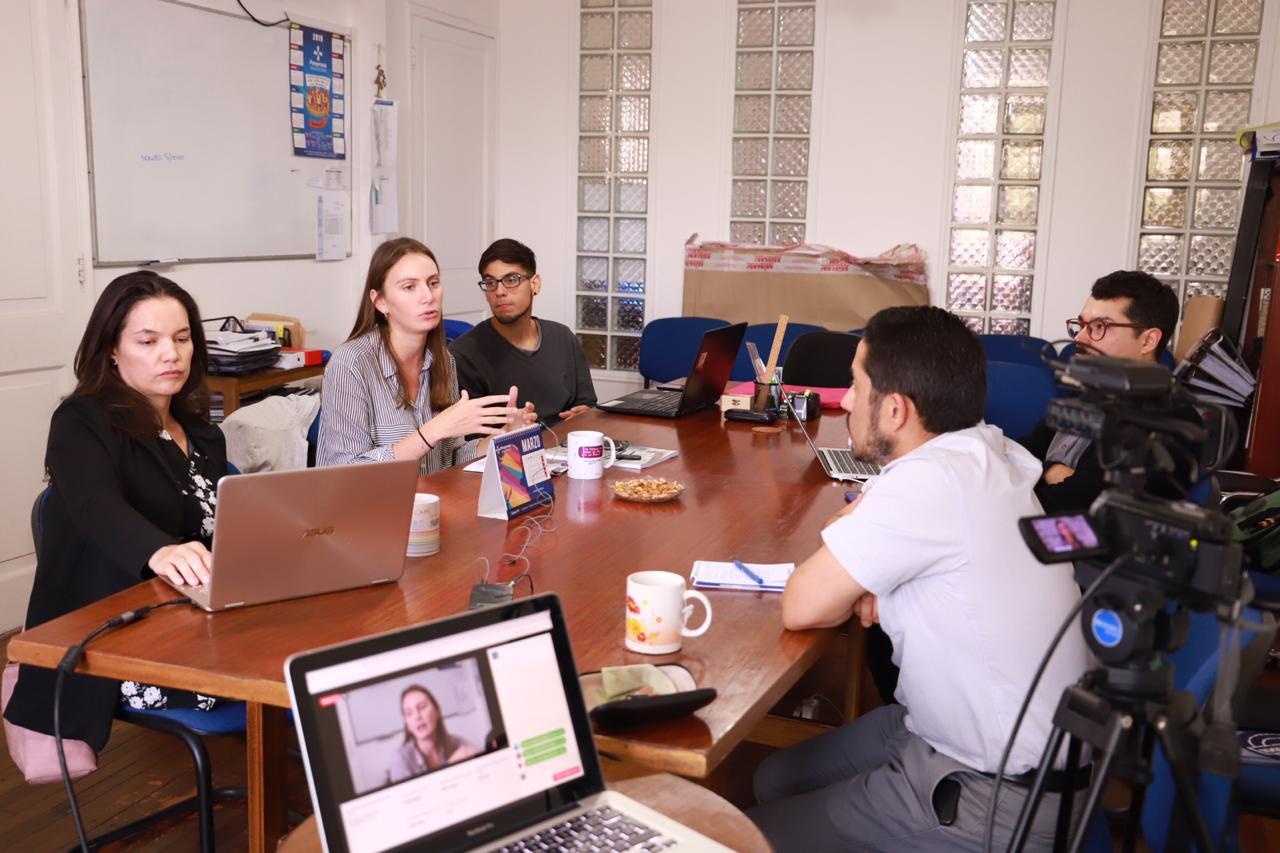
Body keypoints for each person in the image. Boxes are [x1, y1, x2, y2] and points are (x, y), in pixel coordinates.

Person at [749, 306, 1090, 851]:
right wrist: (876, 577)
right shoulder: (986, 450)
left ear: (895, 409)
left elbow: (803, 605)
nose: (845, 401)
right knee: (771, 779)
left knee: (744, 838)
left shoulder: (929, 482)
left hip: (997, 796)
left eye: (856, 387)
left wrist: (866, 564)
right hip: (962, 740)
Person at [4, 272, 226, 753]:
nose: (172, 354)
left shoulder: (203, 433)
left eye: (183, 338)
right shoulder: (81, 422)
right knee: (289, 667)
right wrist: (160, 551)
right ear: (111, 349)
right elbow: (94, 507)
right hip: (114, 636)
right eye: (148, 341)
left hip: (195, 615)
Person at [318, 238, 536, 472]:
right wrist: (434, 430)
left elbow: (450, 457)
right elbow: (344, 473)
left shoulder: (443, 361)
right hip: (371, 507)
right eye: (409, 287)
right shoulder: (350, 363)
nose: (428, 296)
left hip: (429, 502)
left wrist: (504, 437)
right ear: (380, 301)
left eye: (433, 283)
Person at [1020, 270, 1184, 512]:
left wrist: (1033, 472)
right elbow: (1018, 454)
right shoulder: (1087, 393)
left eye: (1099, 327)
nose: (1081, 339)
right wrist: (1049, 471)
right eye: (1082, 325)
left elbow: (1076, 503)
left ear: (1148, 341)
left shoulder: (1168, 421)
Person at [449, 239, 596, 425]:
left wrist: (582, 415)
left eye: (511, 280)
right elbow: (469, 439)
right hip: (507, 452)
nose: (500, 291)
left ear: (535, 284)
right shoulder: (464, 354)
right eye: (490, 282)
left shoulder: (563, 337)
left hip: (567, 447)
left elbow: (587, 404)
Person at [386, 685, 480, 784]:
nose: (417, 716)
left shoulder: (458, 743)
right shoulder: (400, 759)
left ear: (437, 711)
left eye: (422, 707)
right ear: (407, 725)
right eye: (409, 713)